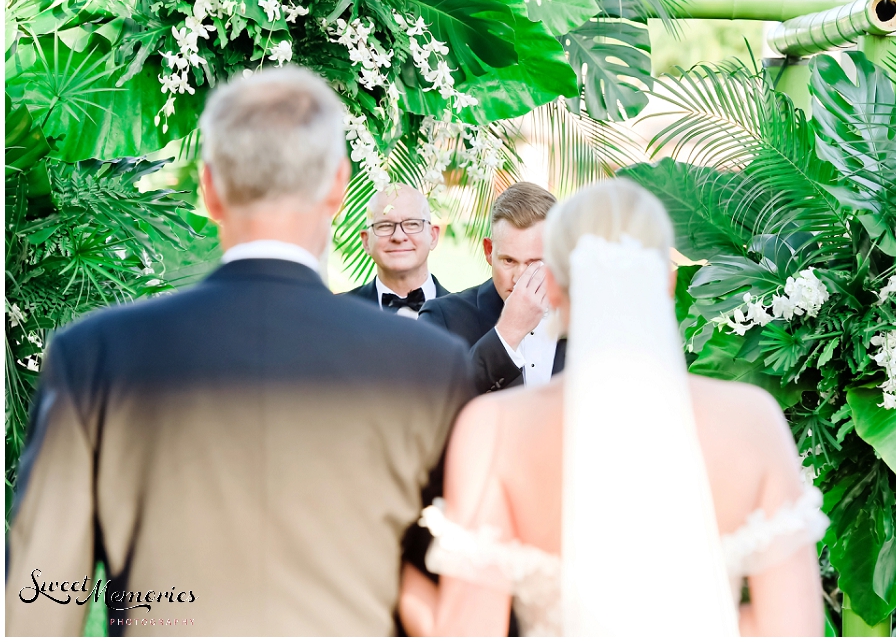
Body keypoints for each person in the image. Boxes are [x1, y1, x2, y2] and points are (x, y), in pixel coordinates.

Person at [5, 67, 474, 636]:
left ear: (208, 188)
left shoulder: (93, 354)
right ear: (336, 186)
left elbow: (38, 610)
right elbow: (454, 603)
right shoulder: (427, 363)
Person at [397, 179, 828, 636]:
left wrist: (401, 583)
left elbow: (469, 631)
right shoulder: (753, 421)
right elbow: (793, 631)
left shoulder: (493, 430)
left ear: (556, 287)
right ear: (668, 280)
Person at [420, 182, 565, 394]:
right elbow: (432, 404)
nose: (519, 278)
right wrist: (508, 333)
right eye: (508, 260)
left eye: (535, 262)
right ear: (489, 251)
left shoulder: (587, 319)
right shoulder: (442, 317)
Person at [347, 184, 449, 317]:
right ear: (366, 241)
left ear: (433, 236)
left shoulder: (467, 316)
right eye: (385, 226)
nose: (398, 237)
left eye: (412, 224)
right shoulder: (337, 314)